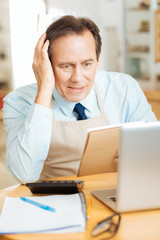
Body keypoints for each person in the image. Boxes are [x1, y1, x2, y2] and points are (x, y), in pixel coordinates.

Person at [3, 15, 156, 183]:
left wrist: (137, 157)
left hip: (114, 194)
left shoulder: (123, 88)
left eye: (87, 64)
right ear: (46, 64)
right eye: (66, 66)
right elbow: (24, 175)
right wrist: (45, 88)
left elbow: (154, 150)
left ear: (98, 61)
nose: (77, 78)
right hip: (52, 202)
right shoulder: (18, 102)